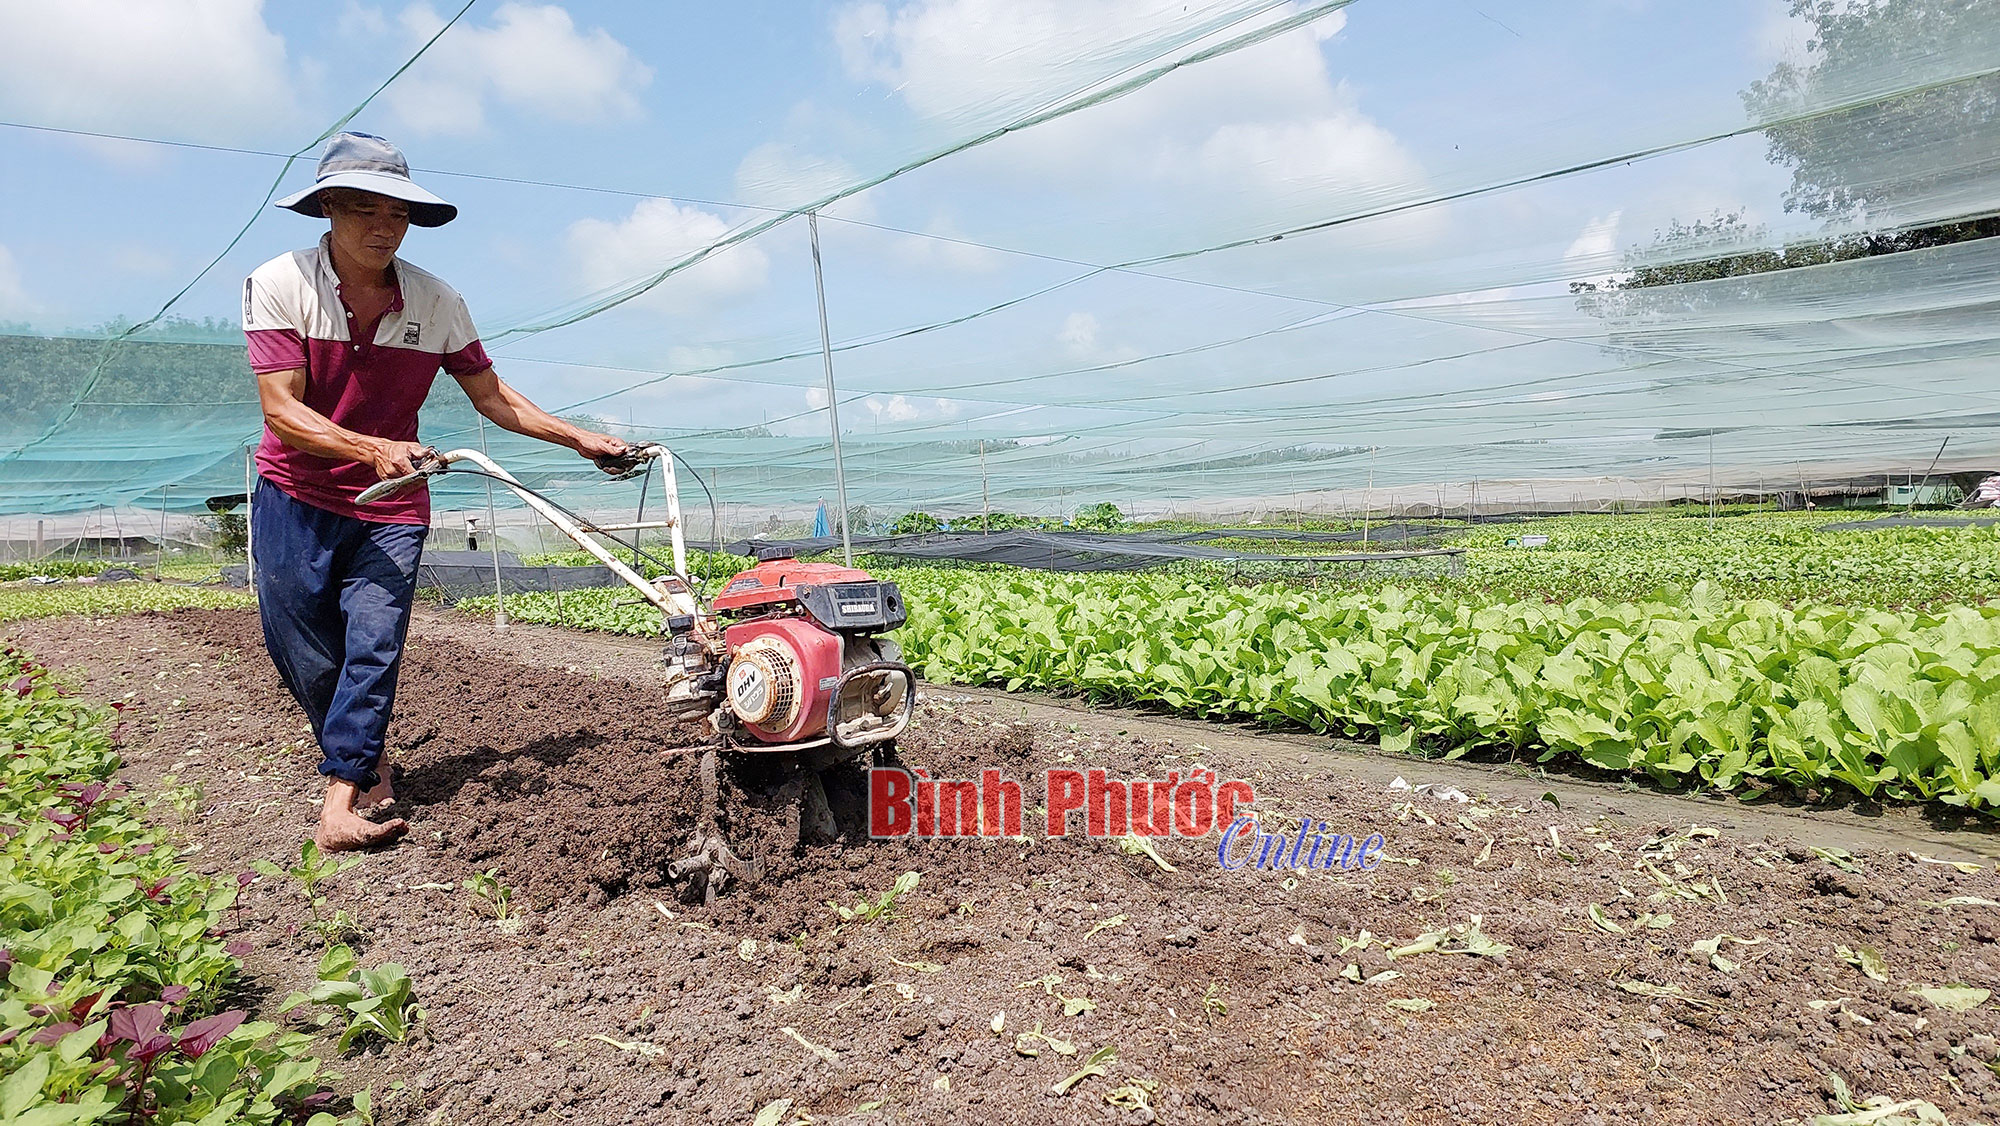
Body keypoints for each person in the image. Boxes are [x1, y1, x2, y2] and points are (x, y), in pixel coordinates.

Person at [244, 131, 630, 851]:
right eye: (366, 211)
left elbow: (492, 397)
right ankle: (365, 757)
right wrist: (372, 447)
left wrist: (580, 439)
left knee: (374, 642)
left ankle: (343, 795)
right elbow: (281, 410)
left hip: (393, 503)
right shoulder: (281, 283)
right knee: (303, 646)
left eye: (398, 215)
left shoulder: (437, 300)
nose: (385, 228)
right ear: (328, 208)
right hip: (296, 494)